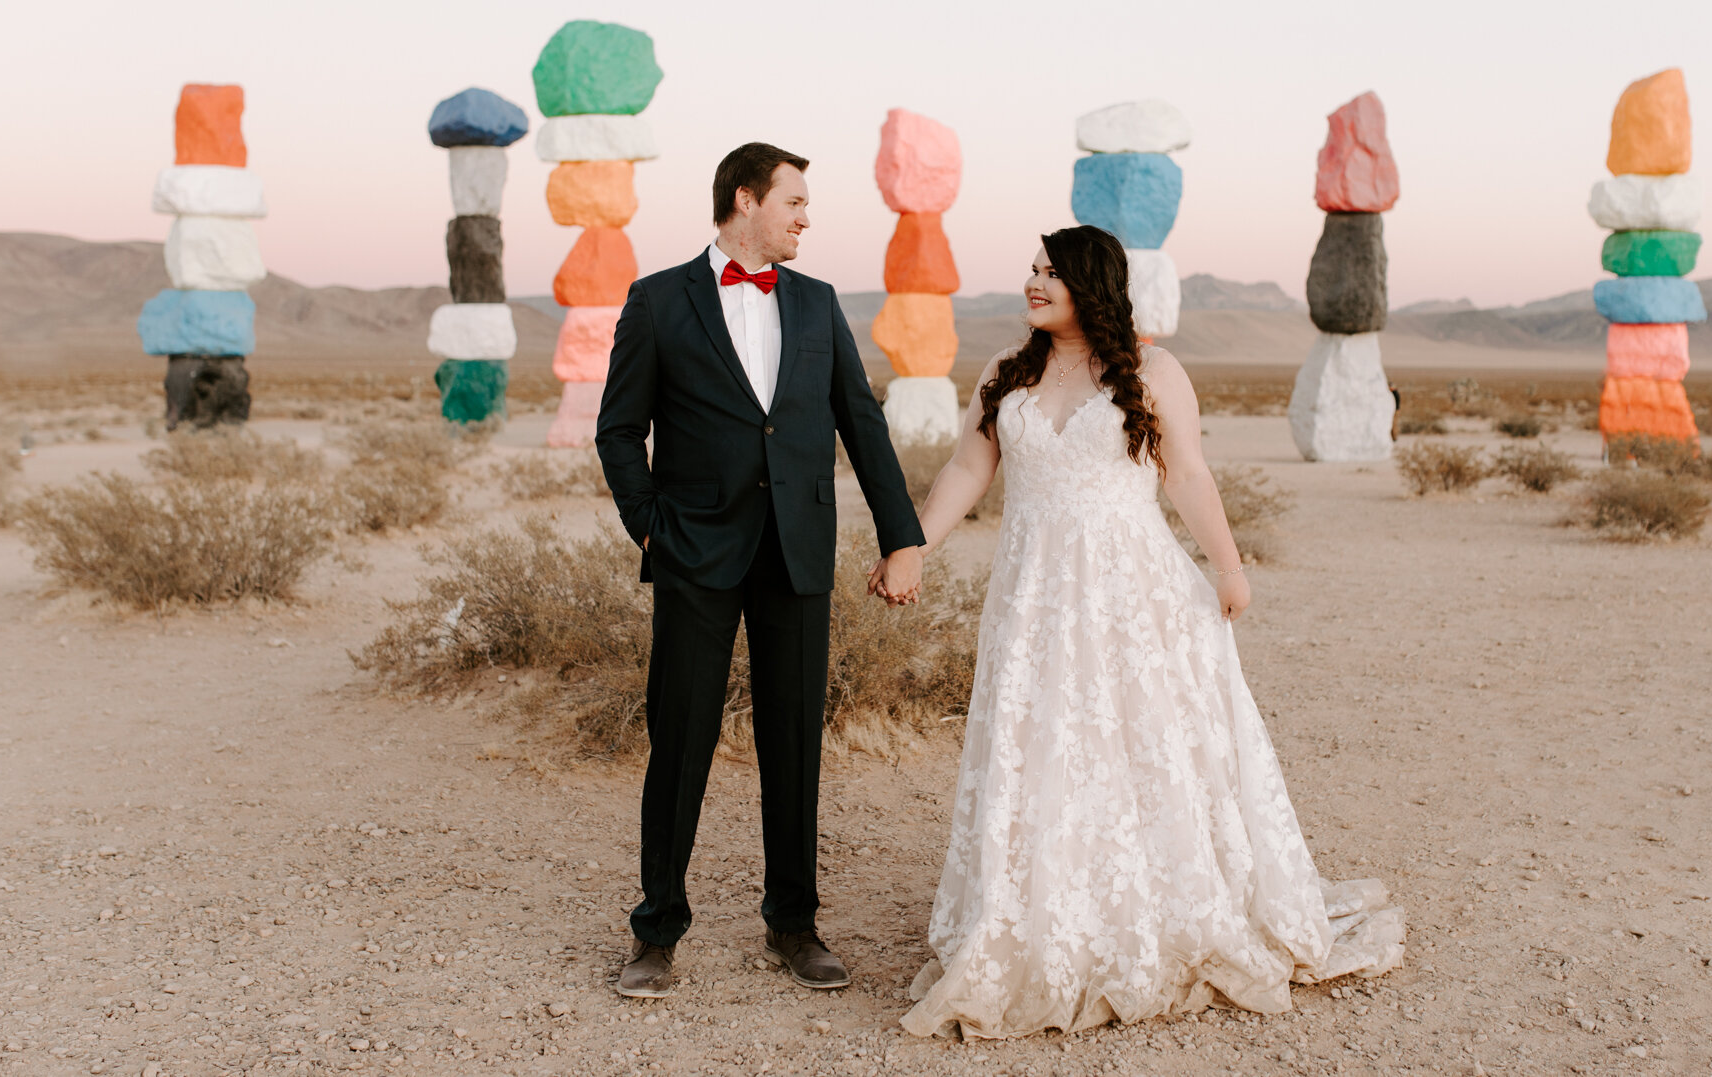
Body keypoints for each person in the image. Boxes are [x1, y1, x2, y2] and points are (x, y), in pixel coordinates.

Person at [886, 225, 1404, 1040]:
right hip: (1034, 597)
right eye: (1030, 269)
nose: (1033, 282)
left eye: (1050, 272)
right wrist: (912, 547)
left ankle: (1156, 912)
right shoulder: (1003, 372)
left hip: (1132, 592)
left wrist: (1228, 568)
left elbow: (1188, 471)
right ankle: (1044, 916)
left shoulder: (1153, 371)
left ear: (1091, 282)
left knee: (1139, 741)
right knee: (1045, 741)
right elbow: (968, 470)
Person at [596, 142, 926, 999]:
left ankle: (794, 925)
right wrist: (653, 532)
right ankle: (657, 929)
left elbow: (862, 421)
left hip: (797, 549)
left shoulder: (816, 303)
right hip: (694, 553)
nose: (807, 217)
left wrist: (903, 535)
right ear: (746, 199)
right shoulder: (659, 299)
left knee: (793, 744)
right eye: (796, 201)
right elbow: (619, 431)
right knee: (681, 741)